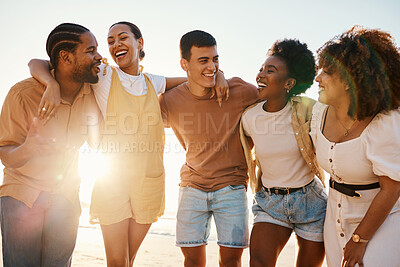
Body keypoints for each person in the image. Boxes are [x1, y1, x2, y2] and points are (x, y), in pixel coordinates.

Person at [28, 22, 227, 267]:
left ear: (139, 42)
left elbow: (192, 78)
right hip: (114, 181)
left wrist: (219, 75)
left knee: (128, 260)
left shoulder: (152, 82)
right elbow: (36, 63)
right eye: (110, 41)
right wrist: (51, 83)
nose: (115, 44)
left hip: (149, 181)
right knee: (117, 261)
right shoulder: (103, 74)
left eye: (123, 37)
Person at [0, 23, 102, 267]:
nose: (98, 56)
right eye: (90, 51)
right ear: (65, 57)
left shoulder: (95, 88)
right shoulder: (22, 94)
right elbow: (4, 153)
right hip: (21, 197)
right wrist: (29, 149)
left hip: (65, 198)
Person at [159, 30, 258, 267]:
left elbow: (274, 101)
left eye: (215, 60)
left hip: (232, 187)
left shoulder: (240, 91)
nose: (211, 67)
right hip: (192, 186)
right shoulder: (170, 100)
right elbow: (140, 93)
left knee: (231, 262)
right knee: (192, 261)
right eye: (203, 60)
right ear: (184, 64)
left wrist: (220, 76)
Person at [311, 26, 400, 267]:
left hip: (384, 219)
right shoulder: (319, 113)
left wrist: (360, 239)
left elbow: (391, 189)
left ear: (350, 81)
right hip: (335, 217)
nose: (317, 78)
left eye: (327, 72)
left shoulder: (385, 123)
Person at [240, 39, 327, 267]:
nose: (260, 75)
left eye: (271, 71)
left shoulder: (308, 109)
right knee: (258, 263)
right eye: (261, 69)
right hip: (271, 202)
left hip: (311, 202)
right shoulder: (249, 117)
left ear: (289, 82)